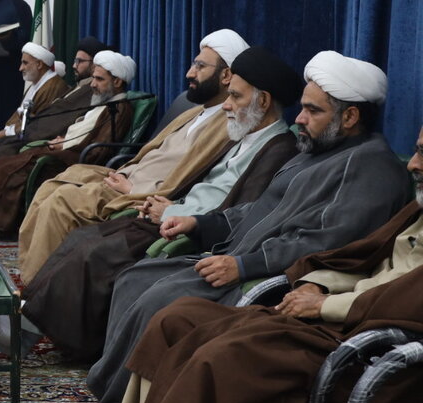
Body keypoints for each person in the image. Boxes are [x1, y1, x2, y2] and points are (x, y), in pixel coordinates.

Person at [85, 51, 410, 403]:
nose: (300, 118)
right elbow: (260, 210)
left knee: (161, 298)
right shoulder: (318, 151)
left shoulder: (370, 168)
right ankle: (117, 398)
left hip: (264, 277)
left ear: (351, 116)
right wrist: (201, 222)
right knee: (134, 278)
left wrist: (243, 266)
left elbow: (324, 243)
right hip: (233, 256)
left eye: (312, 111)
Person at [117, 130, 423, 403]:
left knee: (231, 354)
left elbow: (407, 298)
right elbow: (364, 259)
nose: (413, 164)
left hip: (376, 348)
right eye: (416, 150)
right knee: (181, 318)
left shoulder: (371, 169)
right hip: (344, 318)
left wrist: (325, 305)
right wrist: (317, 283)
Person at [21, 47, 303, 362]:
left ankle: (62, 340)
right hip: (171, 213)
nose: (226, 104)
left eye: (235, 96)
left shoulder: (278, 149)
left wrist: (172, 211)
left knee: (94, 254)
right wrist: (168, 201)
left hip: (186, 230)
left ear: (262, 102)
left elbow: (240, 212)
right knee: (81, 239)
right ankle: (31, 323)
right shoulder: (246, 134)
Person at [16, 29, 247, 281]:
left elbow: (192, 176)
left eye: (200, 66)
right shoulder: (196, 111)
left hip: (141, 190)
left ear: (226, 75)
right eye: (193, 65)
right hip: (125, 174)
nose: (189, 73)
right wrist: (125, 173)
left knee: (60, 202)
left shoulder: (228, 123)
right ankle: (34, 276)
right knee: (50, 187)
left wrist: (133, 188)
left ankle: (34, 285)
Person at [0, 50, 137, 233]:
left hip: (75, 159)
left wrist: (66, 145)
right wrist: (65, 139)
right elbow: (84, 131)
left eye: (99, 79)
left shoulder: (119, 109)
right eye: (93, 78)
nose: (93, 84)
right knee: (4, 161)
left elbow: (99, 151)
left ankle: (0, 222)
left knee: (10, 169)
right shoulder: (104, 103)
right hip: (66, 149)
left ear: (117, 82)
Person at [0, 36, 112, 185]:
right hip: (37, 134)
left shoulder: (86, 91)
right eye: (75, 60)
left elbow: (62, 119)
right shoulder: (79, 86)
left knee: (0, 154)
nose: (74, 65)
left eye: (80, 61)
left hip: (47, 139)